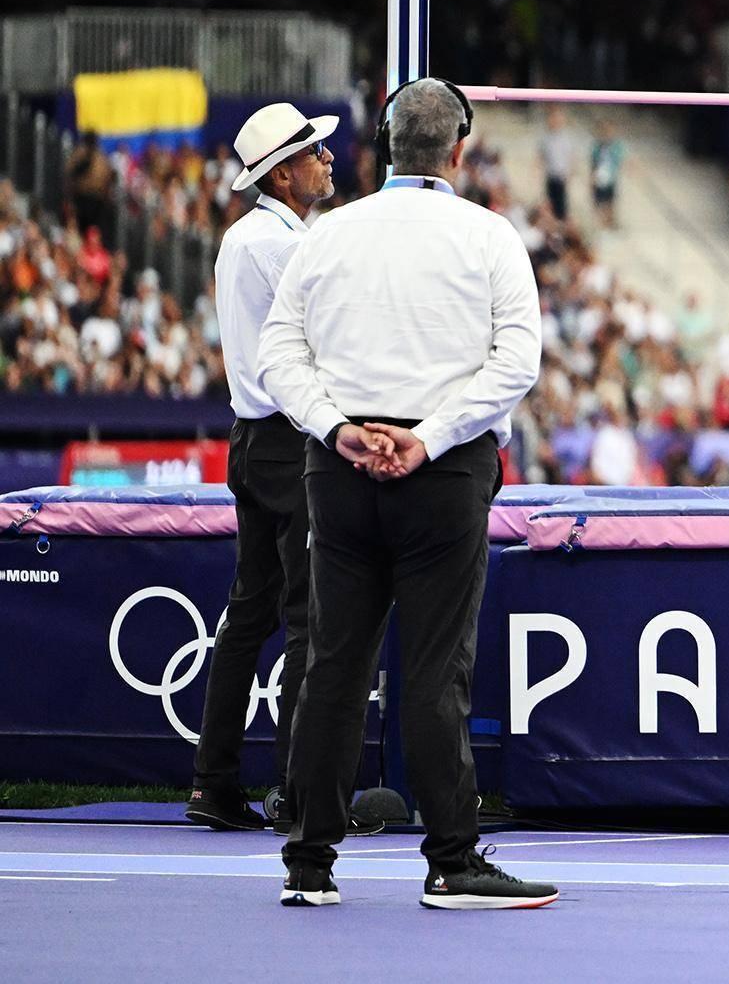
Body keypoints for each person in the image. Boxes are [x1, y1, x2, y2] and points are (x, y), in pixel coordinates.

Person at [259, 80, 555, 911]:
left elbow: (278, 353)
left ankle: (309, 861)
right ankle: (451, 859)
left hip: (343, 467)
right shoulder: (490, 236)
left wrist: (338, 427)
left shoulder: (328, 235)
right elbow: (516, 363)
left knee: (333, 666)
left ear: (382, 148)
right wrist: (429, 436)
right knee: (433, 671)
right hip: (443, 470)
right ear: (456, 152)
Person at [186, 103, 356, 834]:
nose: (328, 158)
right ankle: (293, 788)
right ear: (282, 173)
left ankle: (213, 782)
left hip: (253, 439)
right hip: (290, 442)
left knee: (247, 614)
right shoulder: (284, 246)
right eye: (315, 151)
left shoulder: (248, 237)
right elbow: (331, 340)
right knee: (305, 620)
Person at [589, 121, 623, 228]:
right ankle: (600, 223)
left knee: (610, 202)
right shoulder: (597, 147)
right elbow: (593, 163)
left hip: (610, 178)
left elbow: (620, 160)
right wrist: (592, 177)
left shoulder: (616, 147)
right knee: (599, 202)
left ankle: (610, 222)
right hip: (599, 177)